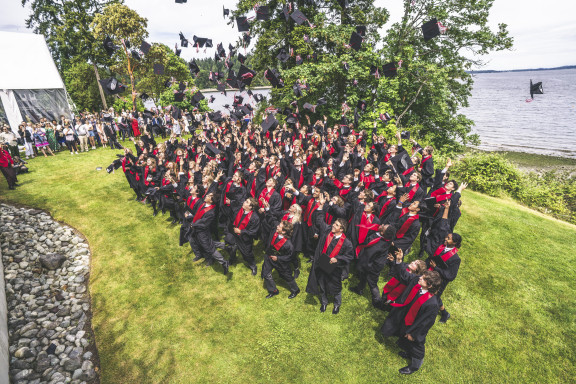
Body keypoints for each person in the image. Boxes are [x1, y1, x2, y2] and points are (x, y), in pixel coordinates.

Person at [381, 249, 443, 375]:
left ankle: (415, 365)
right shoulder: (417, 283)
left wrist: (413, 334)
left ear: (430, 285)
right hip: (407, 318)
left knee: (416, 348)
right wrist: (399, 261)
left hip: (415, 327)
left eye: (423, 278)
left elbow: (426, 323)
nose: (419, 278)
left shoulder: (432, 304)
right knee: (403, 339)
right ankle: (407, 352)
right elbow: (404, 276)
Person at [306, 193, 354, 314]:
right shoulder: (327, 230)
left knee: (335, 287)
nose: (333, 225)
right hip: (322, 262)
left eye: (336, 225)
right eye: (334, 223)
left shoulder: (347, 243)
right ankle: (324, 302)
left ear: (341, 229)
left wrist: (337, 259)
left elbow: (349, 256)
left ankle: (337, 304)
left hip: (334, 268)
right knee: (322, 284)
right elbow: (319, 220)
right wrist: (321, 206)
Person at [261, 220, 300, 299]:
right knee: (266, 274)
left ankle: (295, 290)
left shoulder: (289, 245)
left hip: (281, 262)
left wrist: (278, 258)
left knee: (287, 277)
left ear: (284, 232)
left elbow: (289, 257)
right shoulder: (274, 232)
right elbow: (271, 219)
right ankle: (273, 290)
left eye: (279, 226)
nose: (277, 226)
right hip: (269, 257)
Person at [224, 197, 261, 275]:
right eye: (245, 201)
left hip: (244, 239)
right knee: (231, 248)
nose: (244, 202)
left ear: (251, 207)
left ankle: (253, 266)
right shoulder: (240, 210)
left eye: (247, 202)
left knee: (247, 254)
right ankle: (232, 259)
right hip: (234, 234)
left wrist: (241, 231)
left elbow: (253, 232)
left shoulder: (255, 218)